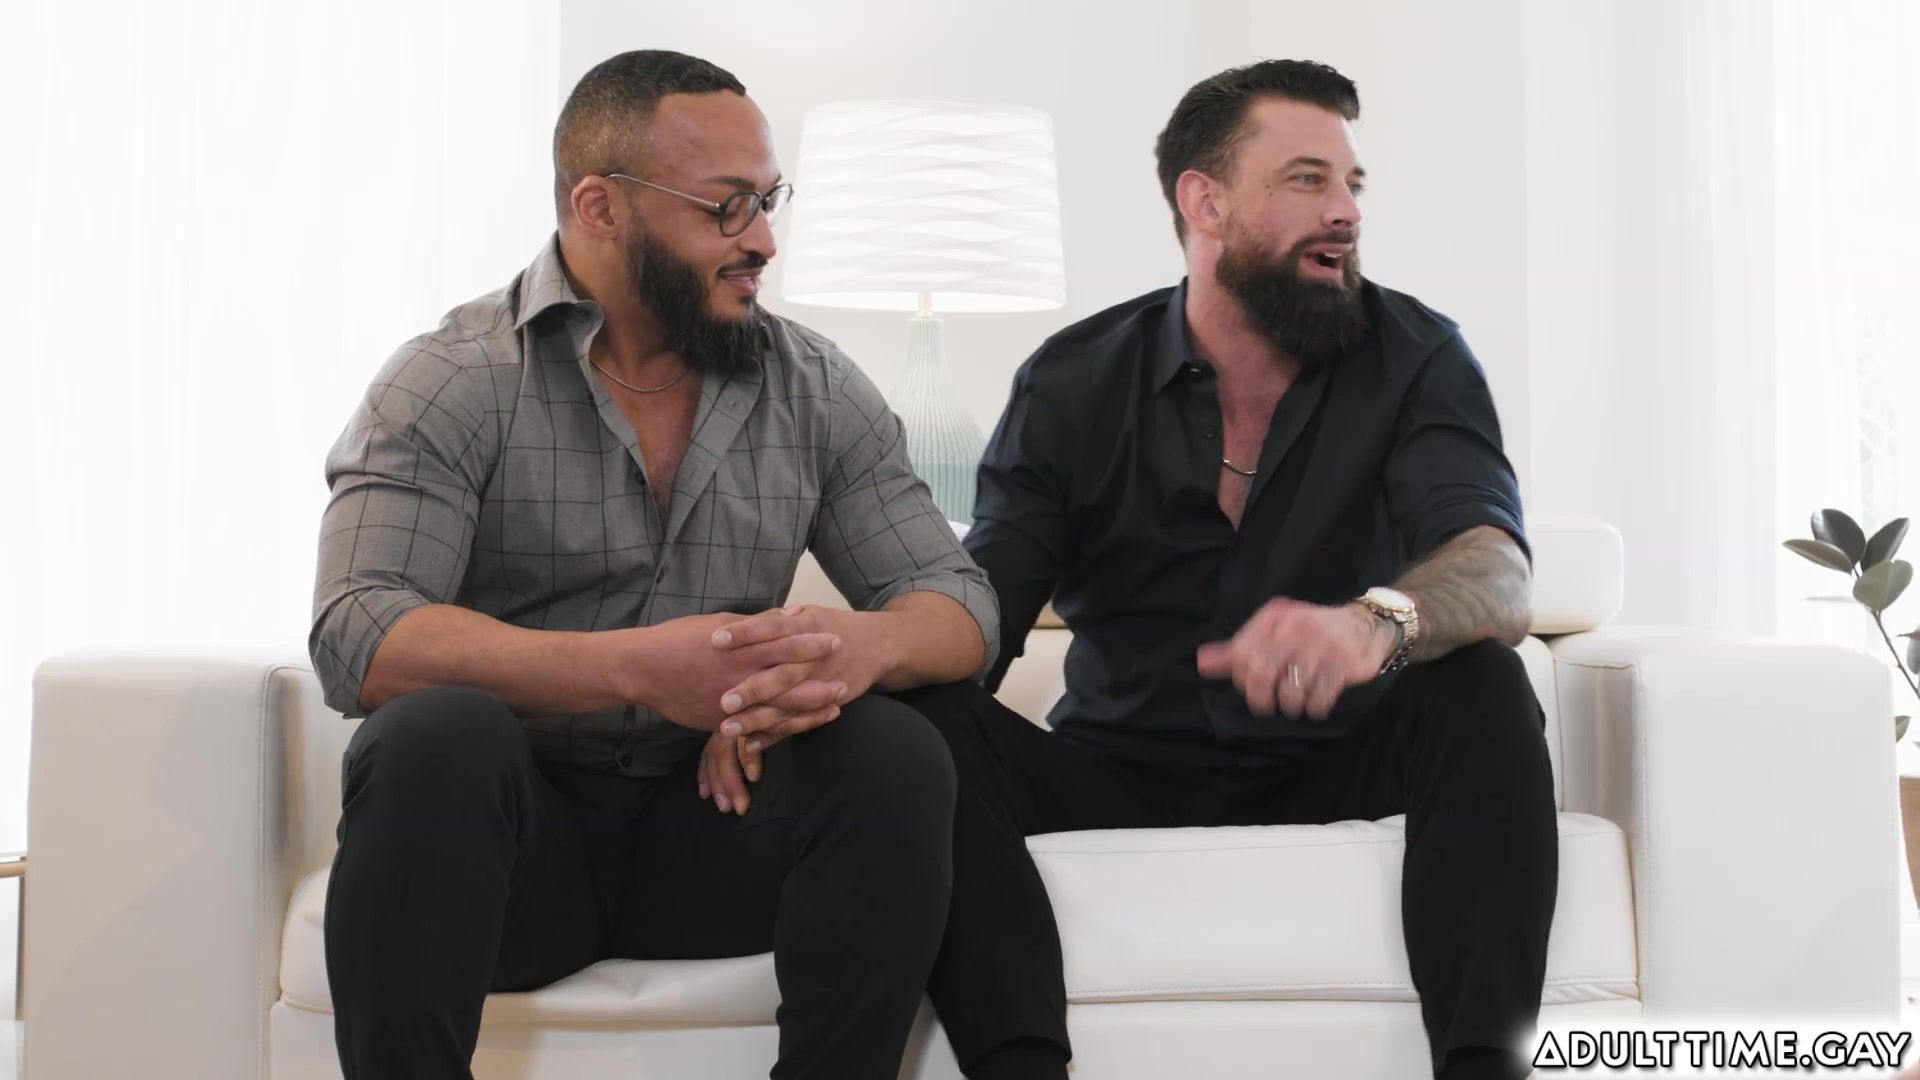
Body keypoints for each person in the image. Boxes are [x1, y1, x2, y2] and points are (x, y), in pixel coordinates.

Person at [755, 58, 1554, 1080]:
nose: (1346, 212)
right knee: (922, 722)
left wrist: (1376, 622)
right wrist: (855, 659)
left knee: (1486, 682)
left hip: (1343, 754)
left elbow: (1499, 571)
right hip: (1117, 764)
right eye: (1307, 180)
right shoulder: (1074, 380)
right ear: (1204, 201)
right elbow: (981, 617)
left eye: (1353, 184)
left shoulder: (1419, 358)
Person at [308, 49, 998, 1080]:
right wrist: (640, 669)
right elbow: (357, 631)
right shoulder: (453, 379)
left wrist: (840, 652)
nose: (763, 241)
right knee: (433, 739)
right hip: (513, 858)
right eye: (726, 208)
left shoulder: (812, 385)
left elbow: (961, 602)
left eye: (768, 201)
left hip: (717, 830)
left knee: (895, 750)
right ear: (600, 207)